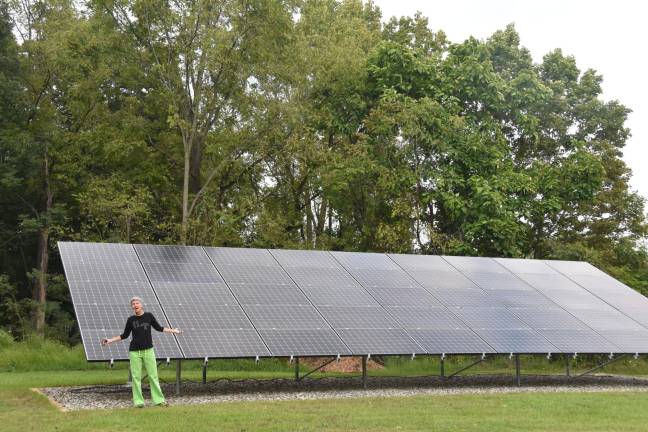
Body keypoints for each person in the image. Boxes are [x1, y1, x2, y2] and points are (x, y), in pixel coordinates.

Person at [101, 296, 182, 408]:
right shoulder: (131, 320)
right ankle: (138, 402)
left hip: (148, 351)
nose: (135, 305)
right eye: (133, 304)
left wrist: (174, 330)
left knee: (153, 376)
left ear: (141, 304)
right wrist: (110, 340)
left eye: (137, 303)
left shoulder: (149, 316)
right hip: (134, 352)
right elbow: (124, 335)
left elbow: (159, 328)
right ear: (132, 307)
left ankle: (159, 400)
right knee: (136, 377)